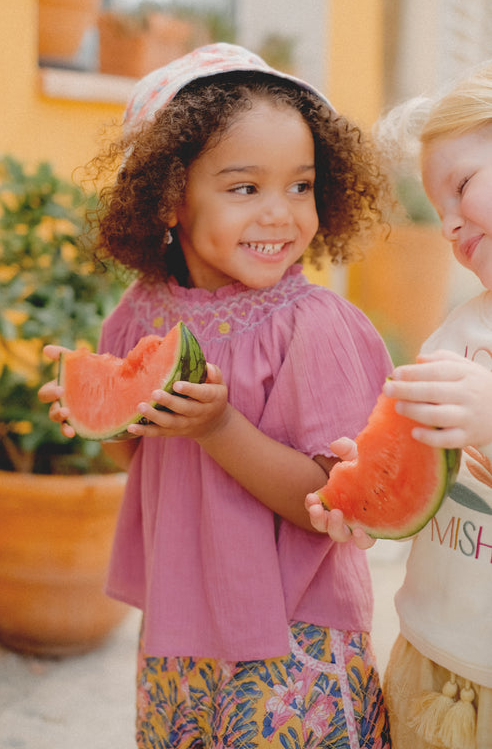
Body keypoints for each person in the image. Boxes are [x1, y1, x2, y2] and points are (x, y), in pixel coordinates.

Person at [39, 43, 394, 748]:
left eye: (300, 186)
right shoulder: (138, 315)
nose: (281, 215)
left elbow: (331, 500)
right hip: (179, 630)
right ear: (169, 197)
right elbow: (141, 469)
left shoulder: (313, 325)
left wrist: (219, 425)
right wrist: (103, 420)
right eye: (243, 188)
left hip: (293, 635)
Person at [307, 63, 492, 749]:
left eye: (462, 186)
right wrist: (371, 483)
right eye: (434, 205)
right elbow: (430, 478)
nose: (446, 223)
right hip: (426, 657)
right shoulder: (457, 332)